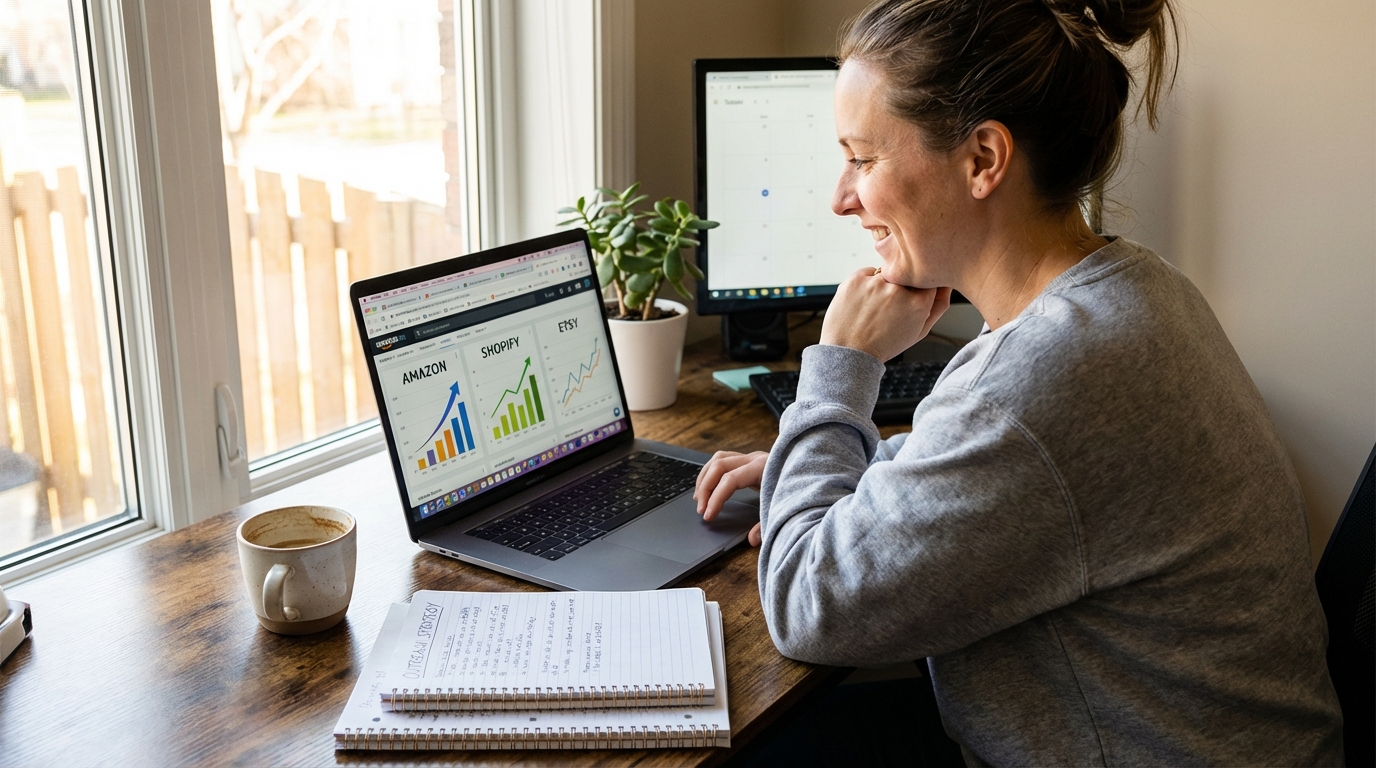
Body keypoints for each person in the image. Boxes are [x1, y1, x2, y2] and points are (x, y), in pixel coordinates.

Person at [693, 0, 1345, 764]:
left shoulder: (1036, 382)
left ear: (983, 160)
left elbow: (808, 604)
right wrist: (855, 467)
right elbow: (1027, 477)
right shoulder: (1133, 290)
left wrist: (842, 368)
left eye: (863, 159)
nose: (842, 197)